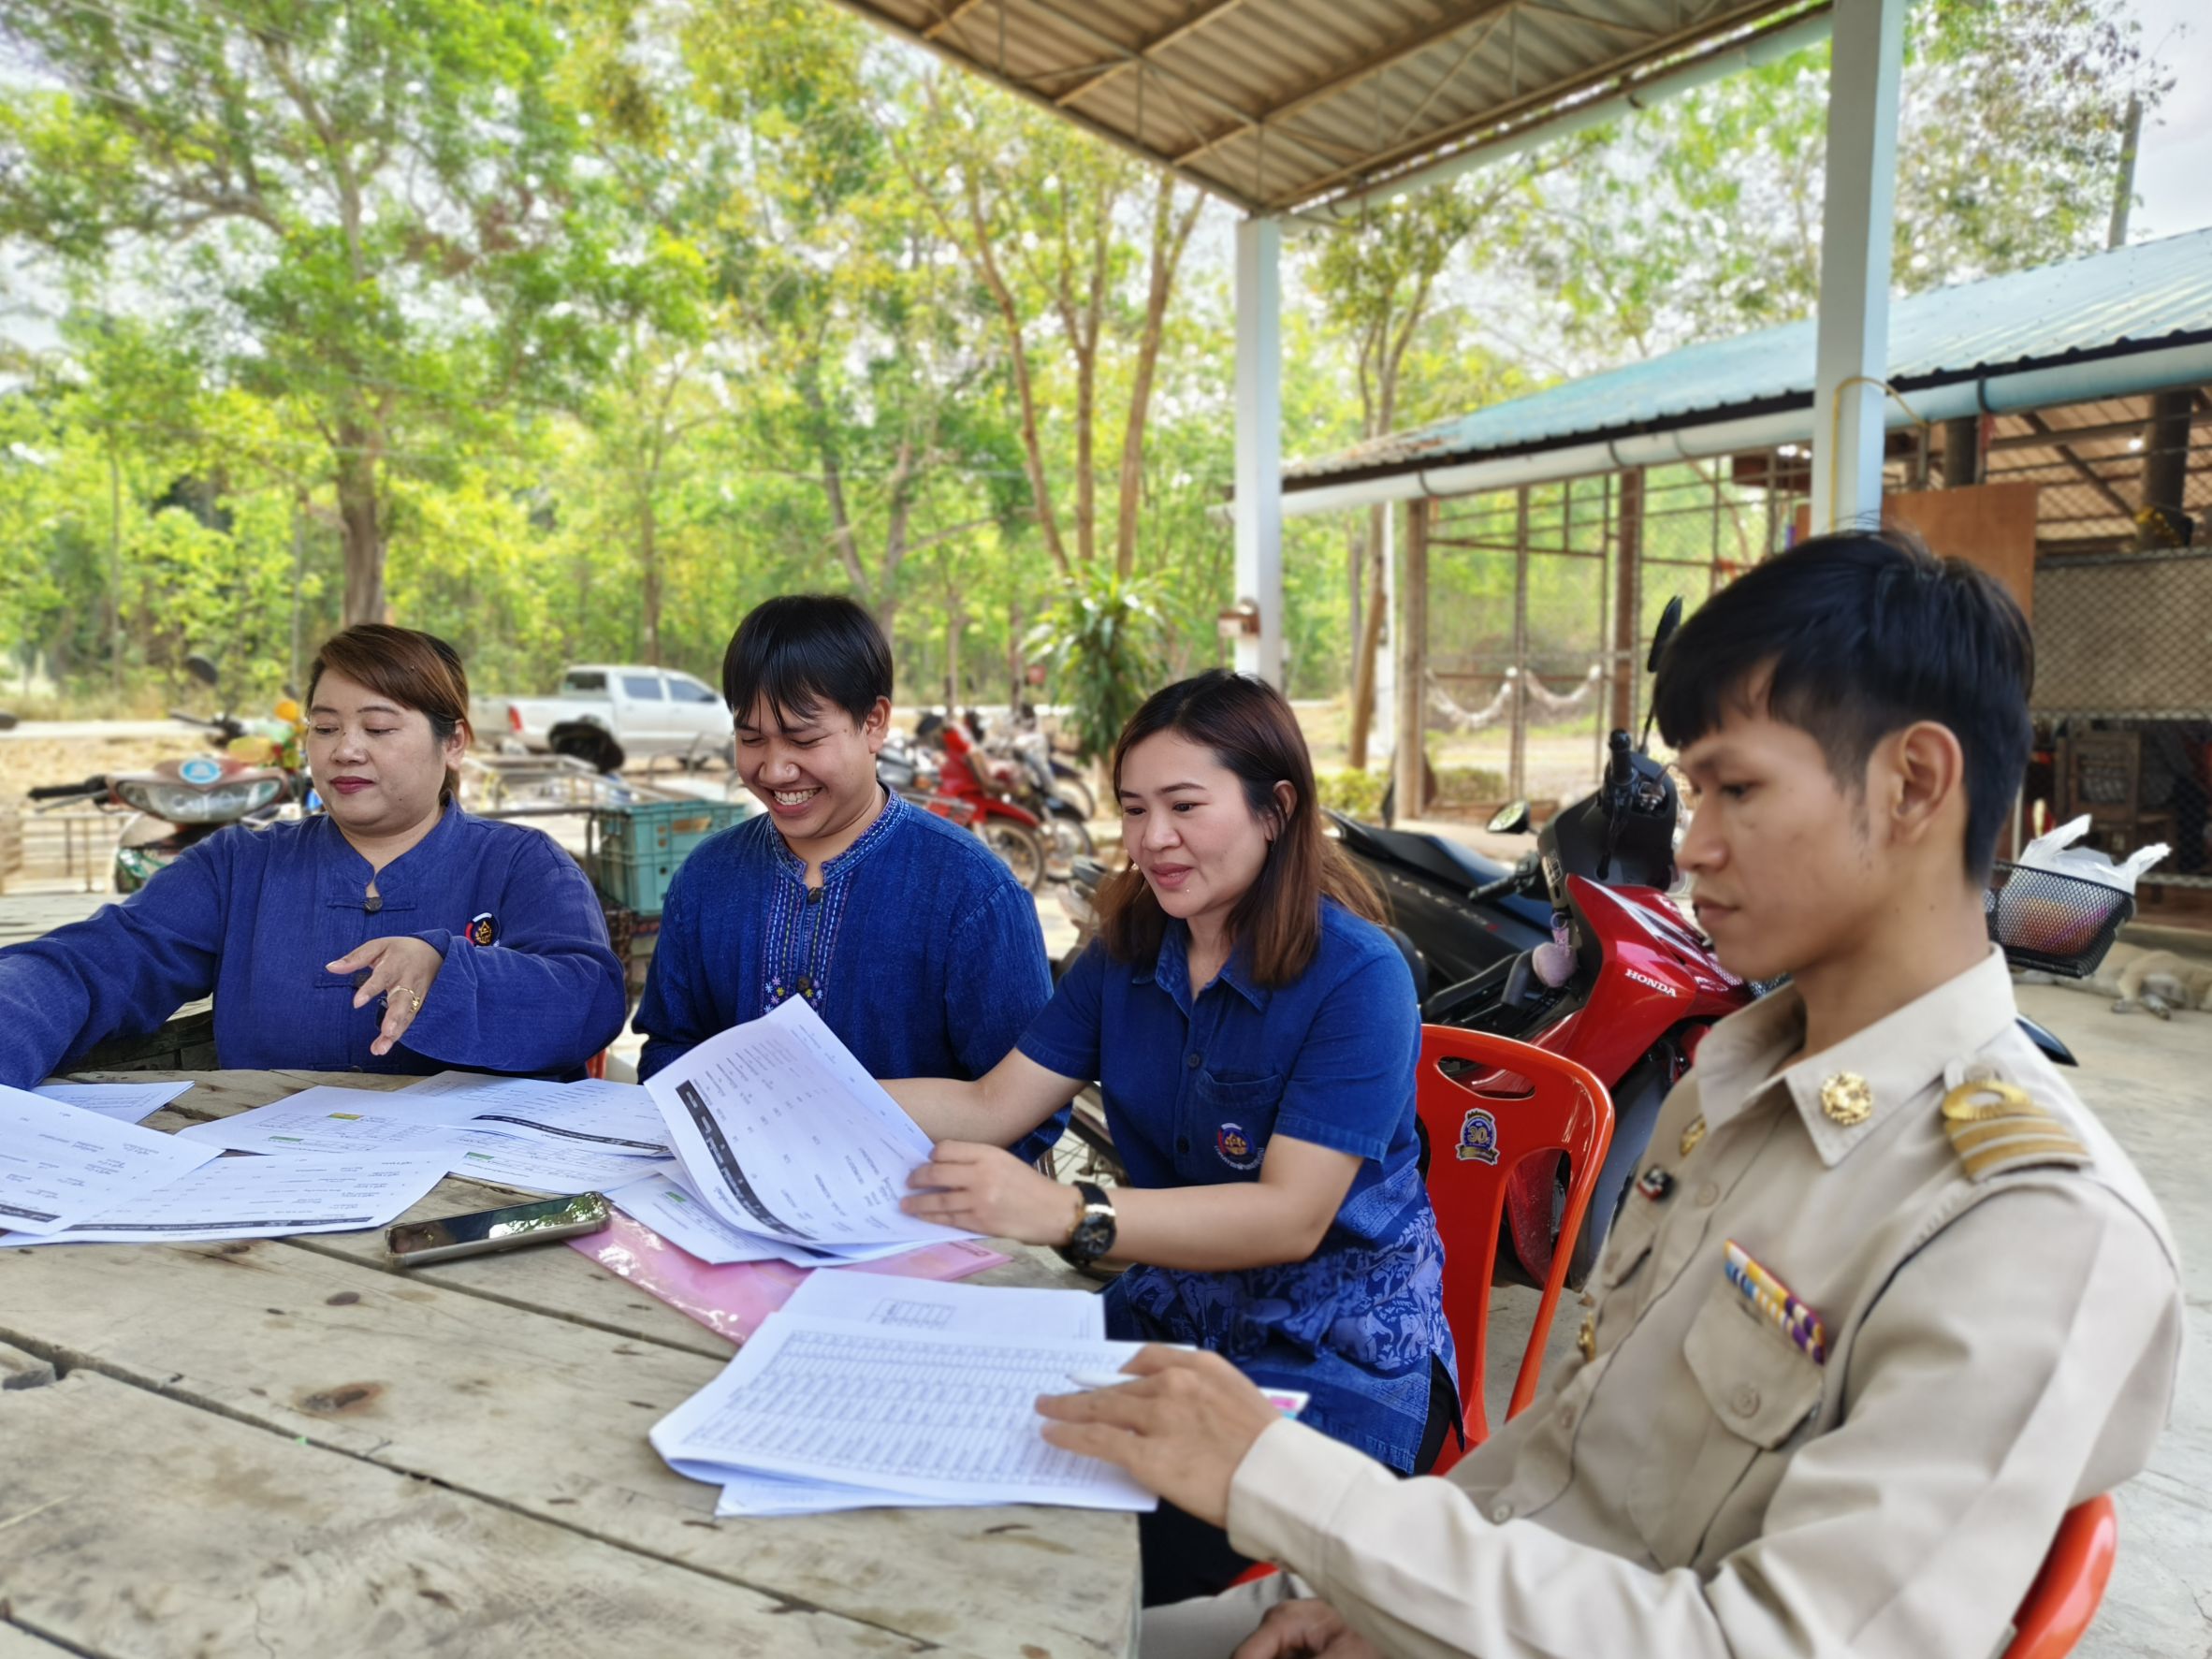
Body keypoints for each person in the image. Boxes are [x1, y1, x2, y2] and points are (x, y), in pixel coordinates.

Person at [1042, 531, 2185, 1659]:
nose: (1695, 848)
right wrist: (1371, 1585)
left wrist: (1291, 1485)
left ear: (1914, 784)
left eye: (1737, 790)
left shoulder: (2029, 1229)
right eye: (1694, 793)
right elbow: (1570, 1464)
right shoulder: (1730, 1094)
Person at [886, 670, 1455, 1606]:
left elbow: (1290, 1217)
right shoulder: (1126, 952)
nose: (1152, 840)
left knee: (1077, 1551)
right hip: (1178, 1319)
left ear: (1275, 809)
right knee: (957, 1434)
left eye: (1185, 806)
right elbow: (994, 1104)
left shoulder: (1359, 976)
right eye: (1134, 809)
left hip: (1335, 1356)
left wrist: (1072, 1212)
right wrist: (805, 1091)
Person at [0, 625, 627, 1086]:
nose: (345, 750)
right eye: (325, 727)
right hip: (274, 1194)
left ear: (454, 740)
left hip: (478, 1194)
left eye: (378, 728)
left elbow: (588, 1001)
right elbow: (98, 964)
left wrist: (447, 967)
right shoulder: (243, 865)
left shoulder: (521, 864)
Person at [633, 594, 1065, 1164]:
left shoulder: (970, 893)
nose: (775, 769)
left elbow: (1033, 1110)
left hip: (916, 1222)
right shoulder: (708, 879)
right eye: (751, 738)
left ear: (875, 723)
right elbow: (667, 1047)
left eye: (805, 739)